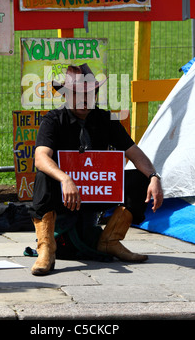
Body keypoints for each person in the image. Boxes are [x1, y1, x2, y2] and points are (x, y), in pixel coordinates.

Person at [29, 63, 163, 276]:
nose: (84, 100)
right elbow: (40, 157)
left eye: (89, 94)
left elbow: (135, 154)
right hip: (66, 195)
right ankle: (46, 249)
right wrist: (65, 179)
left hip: (97, 191)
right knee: (44, 176)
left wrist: (154, 177)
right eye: (77, 94)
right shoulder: (53, 120)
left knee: (141, 178)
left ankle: (110, 240)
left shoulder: (106, 119)